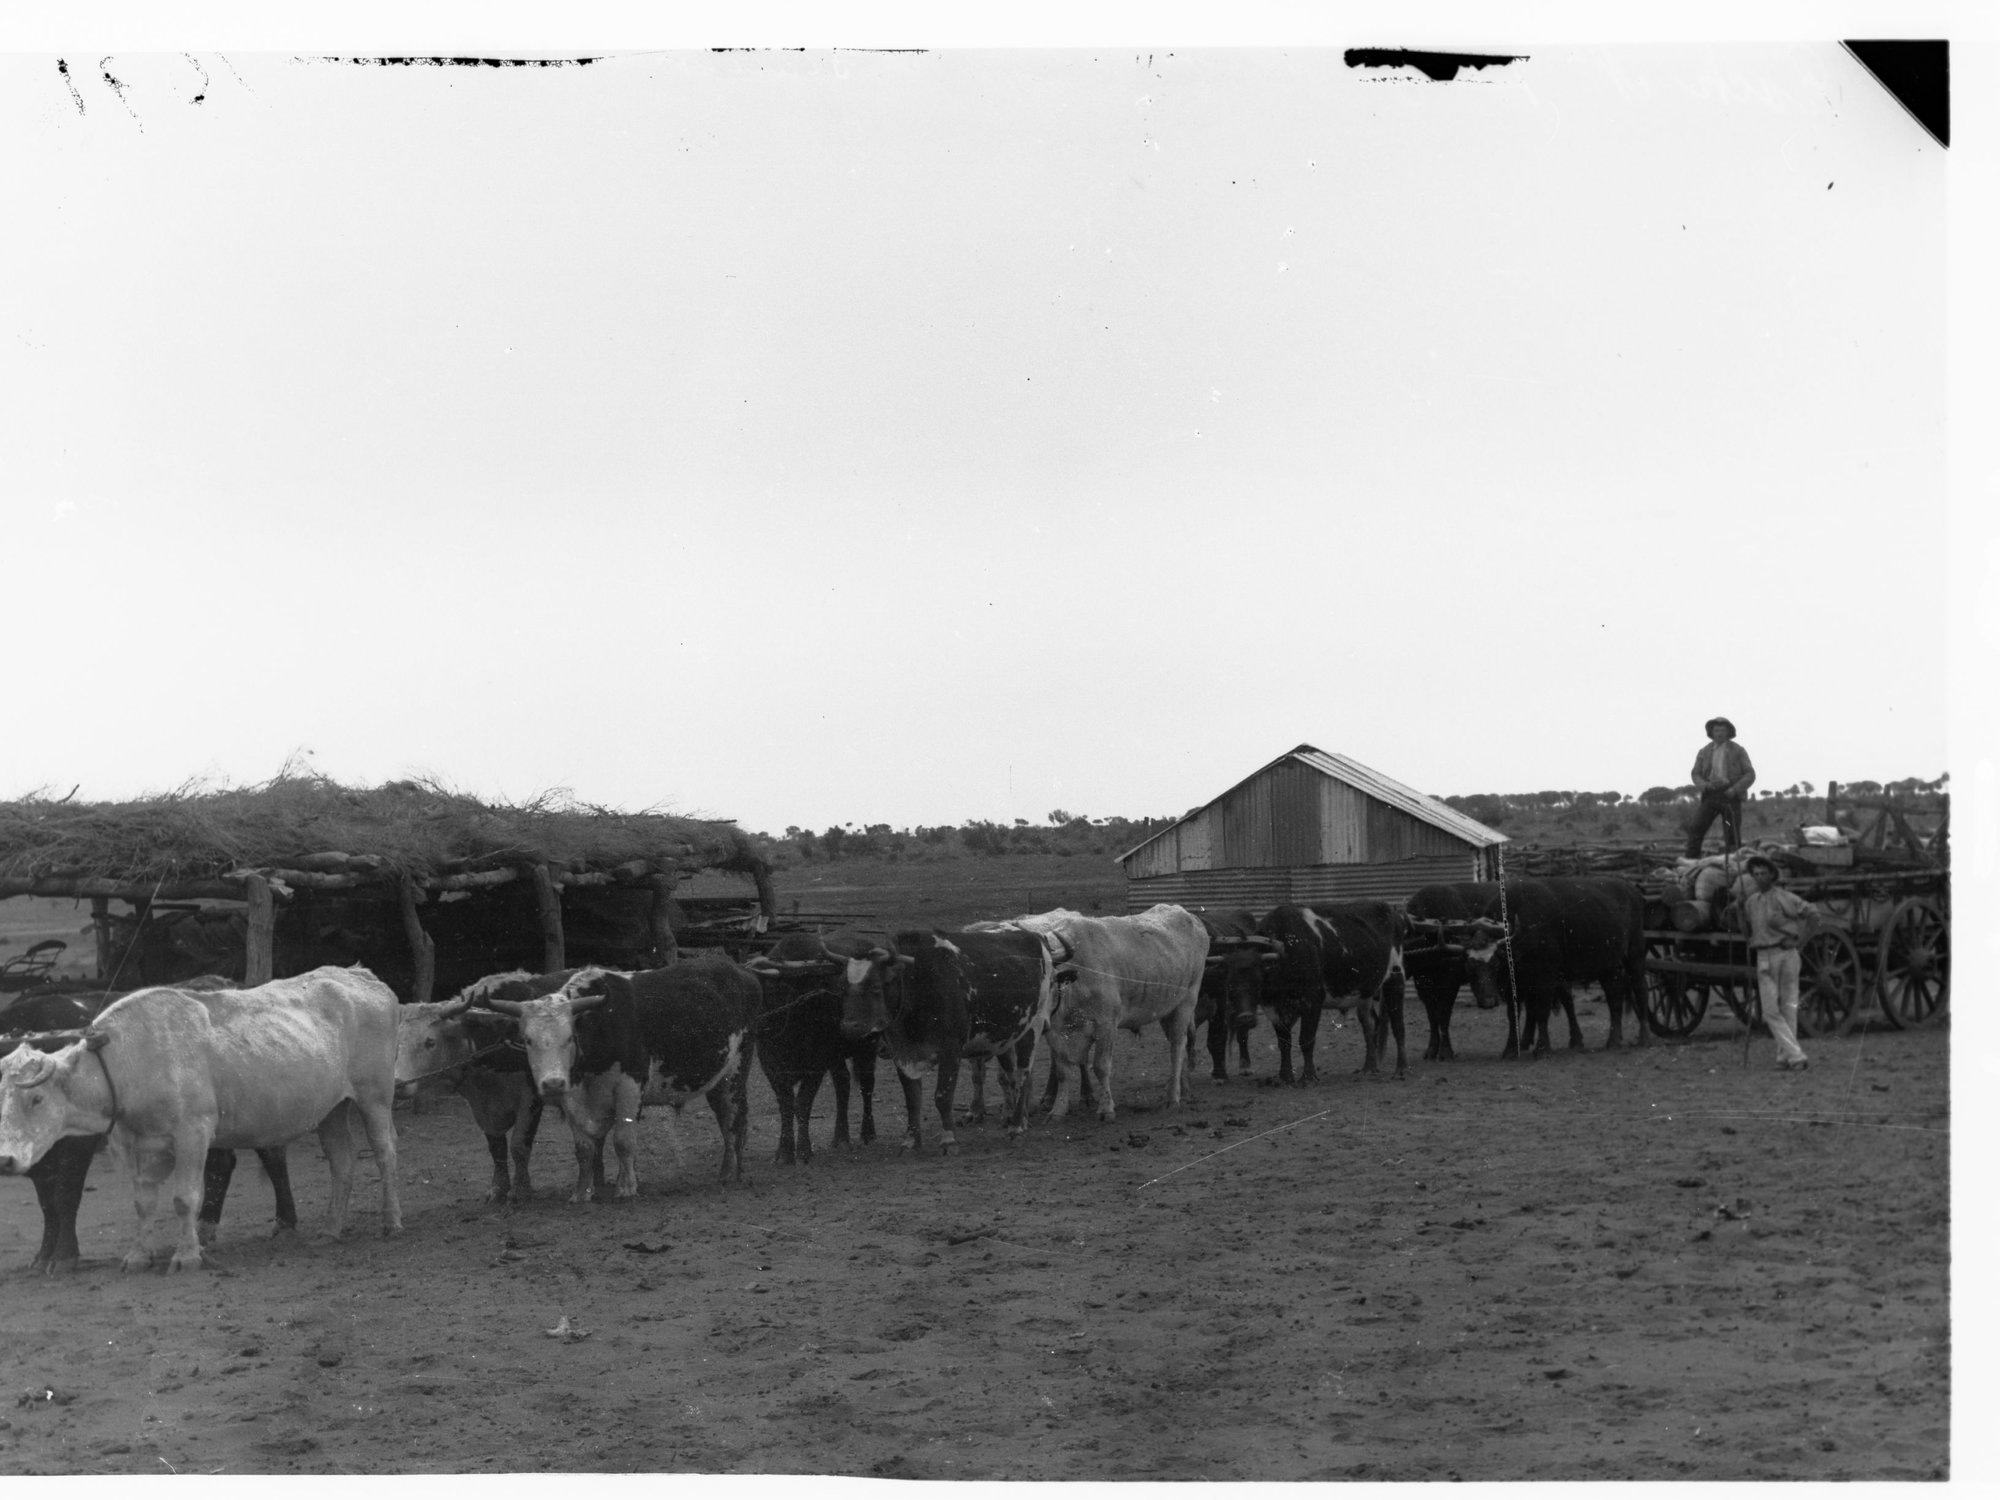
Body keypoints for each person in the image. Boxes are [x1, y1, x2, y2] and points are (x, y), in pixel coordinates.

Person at [1739, 854, 1811, 1071]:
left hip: (1786, 954)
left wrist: (1800, 939)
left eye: (1763, 873)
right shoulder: (1751, 902)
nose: (1760, 878)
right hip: (1763, 956)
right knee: (1770, 1010)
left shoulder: (1785, 897)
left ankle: (1790, 1056)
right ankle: (1791, 1055)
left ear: (1772, 875)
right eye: (1756, 874)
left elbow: (1812, 914)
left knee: (1788, 1007)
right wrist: (1739, 910)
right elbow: (1747, 933)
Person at [1684, 717, 1756, 858]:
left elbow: (1750, 774)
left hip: (1730, 796)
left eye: (1723, 730)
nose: (1719, 733)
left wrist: (1735, 790)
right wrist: (1705, 785)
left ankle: (1734, 863)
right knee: (1696, 827)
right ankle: (1690, 861)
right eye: (1716, 730)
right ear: (1711, 732)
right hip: (1711, 795)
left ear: (1728, 732)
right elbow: (1695, 774)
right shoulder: (1704, 751)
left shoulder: (1738, 750)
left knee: (1731, 830)